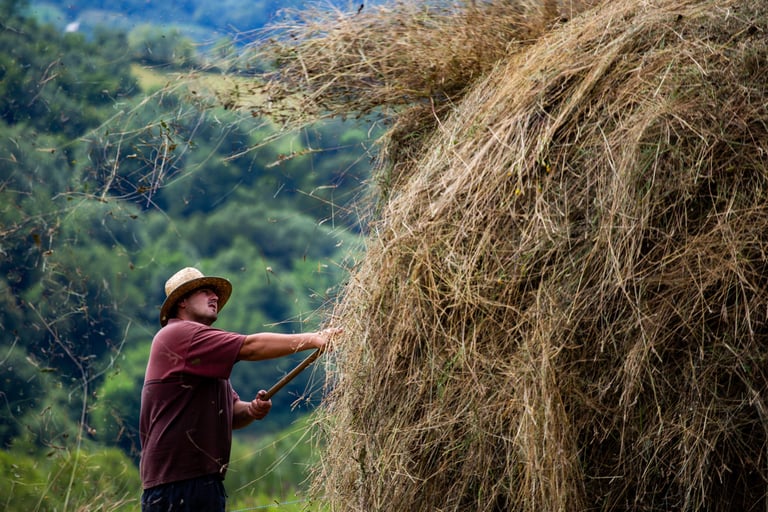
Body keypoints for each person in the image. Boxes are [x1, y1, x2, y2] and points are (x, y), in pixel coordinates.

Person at [139, 267, 338, 511]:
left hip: (203, 483)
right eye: (205, 291)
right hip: (176, 485)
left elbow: (231, 414)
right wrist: (314, 338)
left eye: (214, 293)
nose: (214, 297)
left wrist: (251, 410)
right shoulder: (177, 334)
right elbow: (250, 347)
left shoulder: (203, 354)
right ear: (182, 301)